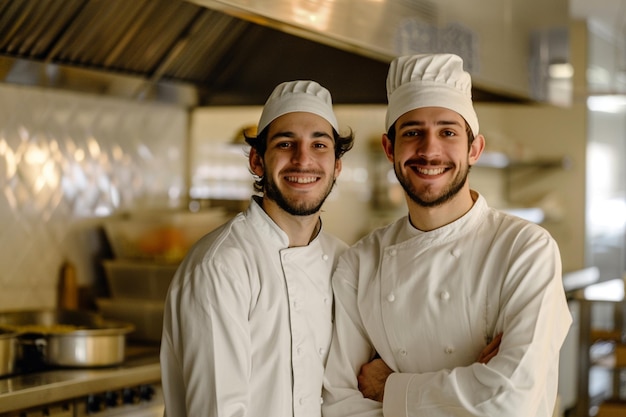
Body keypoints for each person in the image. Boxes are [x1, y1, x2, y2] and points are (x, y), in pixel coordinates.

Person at [322, 53, 573, 417]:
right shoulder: (360, 264)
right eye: (412, 133)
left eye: (447, 132)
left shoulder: (525, 249)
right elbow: (340, 405)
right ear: (389, 148)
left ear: (474, 149)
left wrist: (389, 388)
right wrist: (475, 384)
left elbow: (512, 400)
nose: (429, 150)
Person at [160, 80, 355, 417]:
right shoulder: (222, 265)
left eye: (319, 144)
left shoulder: (345, 262)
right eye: (285, 143)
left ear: (336, 166)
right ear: (257, 160)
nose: (303, 159)